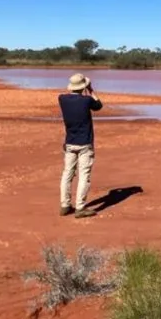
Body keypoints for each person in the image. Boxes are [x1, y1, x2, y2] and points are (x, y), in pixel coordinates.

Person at [58, 73, 103, 217]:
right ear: (83, 86)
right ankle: (80, 207)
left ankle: (65, 205)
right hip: (85, 143)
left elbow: (71, 97)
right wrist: (91, 90)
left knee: (67, 174)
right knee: (84, 175)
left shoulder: (62, 99)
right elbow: (99, 106)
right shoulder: (87, 101)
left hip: (70, 142)